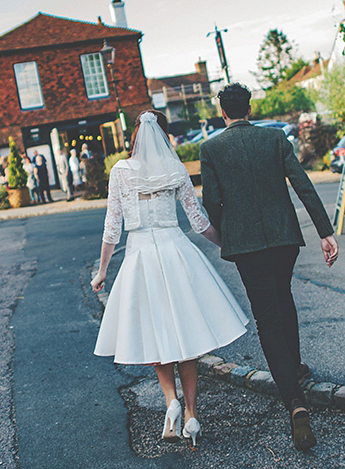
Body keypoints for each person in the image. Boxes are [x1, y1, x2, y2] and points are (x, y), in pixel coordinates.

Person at [92, 110, 248, 447]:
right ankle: (191, 414)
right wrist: (229, 245)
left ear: (135, 134)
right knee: (185, 337)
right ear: (165, 136)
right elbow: (198, 221)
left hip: (139, 258)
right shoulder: (175, 170)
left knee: (155, 334)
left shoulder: (120, 171)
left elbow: (112, 226)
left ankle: (171, 402)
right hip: (175, 252)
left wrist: (102, 270)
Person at [200, 83, 339, 452]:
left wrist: (228, 232)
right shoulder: (275, 139)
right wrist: (325, 232)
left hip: (246, 246)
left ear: (223, 113)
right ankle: (295, 368)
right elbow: (303, 184)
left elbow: (211, 203)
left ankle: (294, 402)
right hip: (284, 239)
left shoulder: (211, 148)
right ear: (249, 108)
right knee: (284, 297)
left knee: (266, 316)